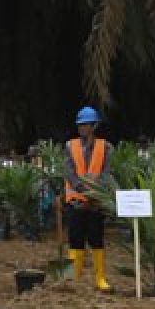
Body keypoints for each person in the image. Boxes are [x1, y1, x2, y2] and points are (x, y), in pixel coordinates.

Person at [64, 106, 114, 291]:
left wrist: (94, 193)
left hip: (96, 203)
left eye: (85, 125)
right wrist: (82, 190)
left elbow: (107, 173)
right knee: (75, 239)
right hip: (76, 201)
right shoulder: (70, 146)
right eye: (80, 125)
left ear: (94, 126)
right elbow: (69, 172)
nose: (81, 128)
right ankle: (73, 279)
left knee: (96, 239)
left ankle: (100, 279)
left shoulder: (106, 147)